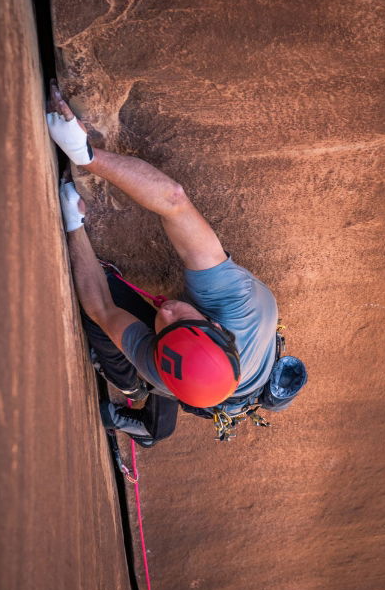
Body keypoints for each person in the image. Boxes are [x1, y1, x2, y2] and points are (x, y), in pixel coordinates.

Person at [46, 81, 303, 445]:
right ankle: (152, 423)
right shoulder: (237, 301)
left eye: (164, 329)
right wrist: (84, 153)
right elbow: (174, 200)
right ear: (214, 323)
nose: (164, 312)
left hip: (203, 387)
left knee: (116, 333)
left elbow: (101, 308)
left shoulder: (163, 370)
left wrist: (74, 226)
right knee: (117, 297)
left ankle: (132, 389)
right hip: (231, 367)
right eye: (180, 319)